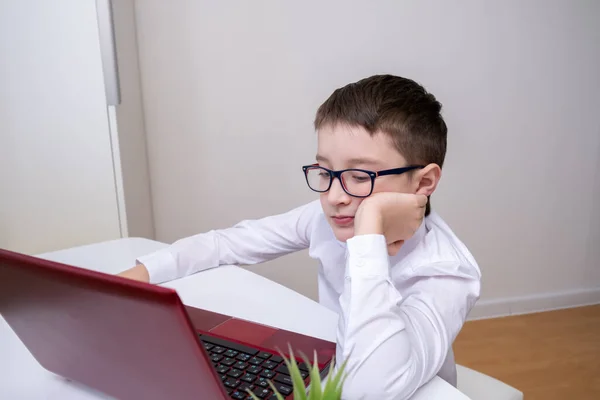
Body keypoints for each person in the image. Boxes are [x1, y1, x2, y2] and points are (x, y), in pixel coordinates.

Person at [118, 74, 481, 400]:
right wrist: (141, 276)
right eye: (325, 171)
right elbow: (227, 243)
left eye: (360, 177)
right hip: (330, 371)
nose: (335, 196)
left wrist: (369, 231)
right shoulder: (328, 215)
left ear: (424, 183)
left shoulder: (446, 273)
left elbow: (371, 388)